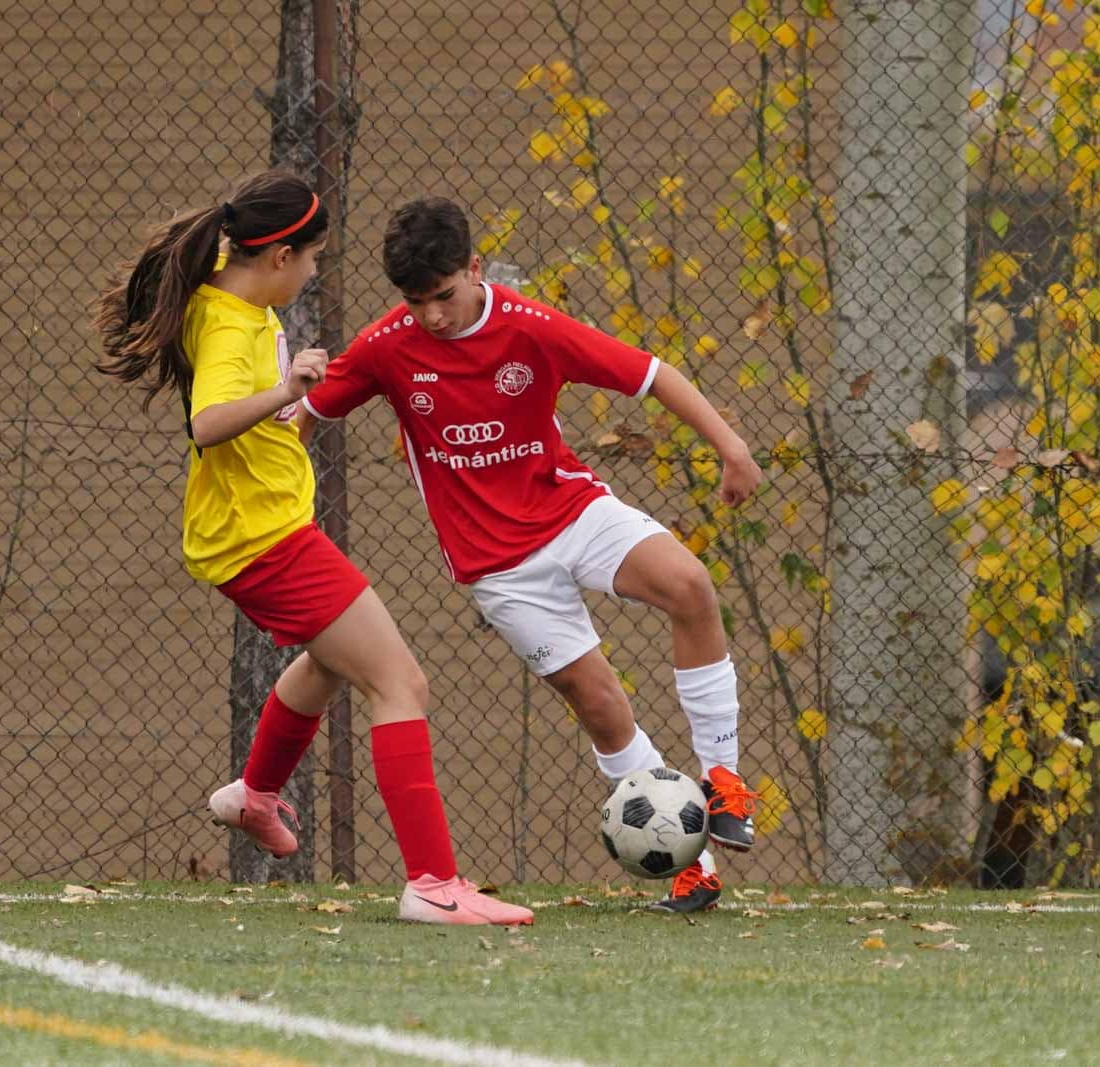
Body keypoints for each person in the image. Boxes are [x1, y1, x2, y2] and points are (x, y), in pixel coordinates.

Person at [298, 196, 764, 914]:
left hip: (571, 510)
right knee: (602, 704)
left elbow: (652, 374)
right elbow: (305, 414)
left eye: (444, 296)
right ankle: (690, 862)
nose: (430, 316)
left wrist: (730, 446)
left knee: (690, 585)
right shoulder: (386, 346)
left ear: (475, 269)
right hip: (499, 567)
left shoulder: (531, 327)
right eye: (415, 301)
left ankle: (725, 781)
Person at [94, 171, 531, 926]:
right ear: (277, 257)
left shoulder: (225, 300)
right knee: (402, 682)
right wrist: (287, 390)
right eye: (312, 259)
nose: (314, 272)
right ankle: (432, 883)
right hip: (259, 539)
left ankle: (254, 794)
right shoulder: (233, 323)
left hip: (256, 530)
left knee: (333, 660)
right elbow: (209, 422)